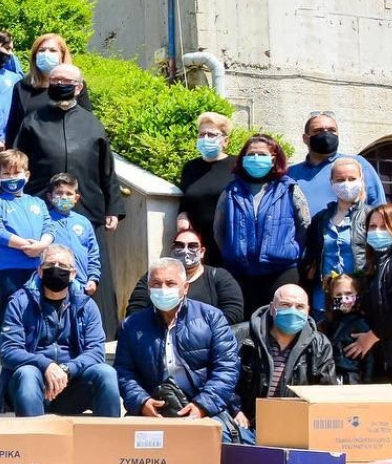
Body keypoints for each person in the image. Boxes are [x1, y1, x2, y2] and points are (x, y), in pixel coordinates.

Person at [14, 62, 123, 332]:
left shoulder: (92, 123)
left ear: (79, 87)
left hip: (87, 209)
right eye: (56, 80)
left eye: (67, 81)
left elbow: (107, 168)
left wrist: (113, 207)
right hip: (42, 210)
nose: (61, 85)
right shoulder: (32, 121)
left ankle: (97, 330)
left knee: (91, 271)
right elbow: (17, 164)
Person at [0, 244, 118, 417]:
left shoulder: (86, 305)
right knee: (27, 374)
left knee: (106, 373)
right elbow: (9, 351)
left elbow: (96, 352)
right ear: (40, 271)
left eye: (62, 266)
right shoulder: (19, 302)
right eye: (50, 264)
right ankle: (33, 434)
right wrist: (46, 365)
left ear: (73, 273)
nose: (56, 269)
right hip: (32, 384)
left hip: (72, 384)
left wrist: (67, 369)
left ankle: (108, 434)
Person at [114, 257, 240, 421]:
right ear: (149, 289)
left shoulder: (211, 318)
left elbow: (227, 368)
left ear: (185, 287)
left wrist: (202, 406)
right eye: (156, 284)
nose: (163, 289)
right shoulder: (132, 325)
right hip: (154, 410)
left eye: (170, 283)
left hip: (206, 409)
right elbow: (124, 372)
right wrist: (142, 402)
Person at [214, 133, 310, 317]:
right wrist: (233, 252)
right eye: (251, 154)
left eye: (262, 154)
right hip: (240, 271)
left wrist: (290, 249)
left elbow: (304, 226)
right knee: (241, 322)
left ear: (273, 159)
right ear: (243, 159)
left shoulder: (289, 188)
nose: (256, 158)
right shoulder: (231, 191)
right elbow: (219, 231)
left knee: (277, 321)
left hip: (281, 270)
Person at [234, 284, 336, 428]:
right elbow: (223, 378)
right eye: (285, 305)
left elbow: (326, 393)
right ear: (272, 308)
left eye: (299, 307)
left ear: (308, 311)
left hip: (294, 425)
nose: (292, 311)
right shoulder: (241, 336)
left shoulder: (320, 345)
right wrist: (234, 410)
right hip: (245, 423)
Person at [0, 149, 53, 328]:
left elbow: (49, 227)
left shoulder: (38, 203)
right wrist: (25, 245)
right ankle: (7, 345)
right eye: (6, 174)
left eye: (16, 173)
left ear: (27, 175)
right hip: (10, 269)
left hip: (38, 268)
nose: (12, 177)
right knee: (10, 311)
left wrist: (41, 245)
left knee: (38, 311)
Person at [125, 229, 246, 325]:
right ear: (172, 249)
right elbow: (135, 308)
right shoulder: (154, 275)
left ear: (202, 251)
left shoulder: (219, 277)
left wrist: (201, 330)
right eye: (179, 245)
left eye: (192, 246)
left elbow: (233, 312)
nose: (185, 251)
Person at [357, 204, 392, 399]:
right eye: (372, 227)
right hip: (387, 359)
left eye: (384, 227)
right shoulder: (375, 268)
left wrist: (369, 338)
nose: (377, 232)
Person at [301, 157, 370, 311]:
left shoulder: (371, 216)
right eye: (340, 179)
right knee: (327, 323)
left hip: (358, 295)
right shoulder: (321, 219)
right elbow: (311, 254)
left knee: (349, 324)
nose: (346, 184)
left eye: (352, 179)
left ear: (361, 180)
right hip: (324, 297)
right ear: (331, 182)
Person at [2, 33, 92, 147]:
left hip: (62, 152)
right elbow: (13, 126)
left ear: (62, 55)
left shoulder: (74, 85)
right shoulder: (22, 86)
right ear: (35, 55)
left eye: (53, 50)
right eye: (42, 50)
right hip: (28, 153)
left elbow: (85, 122)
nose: (46, 54)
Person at [287, 111, 385, 211]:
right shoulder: (291, 173)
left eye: (332, 130)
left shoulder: (356, 164)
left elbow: (379, 208)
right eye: (318, 131)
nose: (326, 134)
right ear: (305, 138)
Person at [176, 112, 235, 265]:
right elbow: (186, 202)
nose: (205, 138)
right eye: (202, 134)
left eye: (211, 134)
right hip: (197, 245)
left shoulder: (236, 166)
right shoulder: (191, 167)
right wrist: (182, 217)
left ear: (225, 140)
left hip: (229, 243)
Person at [46, 173, 101, 296]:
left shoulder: (84, 222)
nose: (64, 197)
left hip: (81, 285)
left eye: (69, 194)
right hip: (53, 283)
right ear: (50, 196)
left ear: (76, 198)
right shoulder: (45, 220)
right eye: (59, 193)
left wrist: (93, 278)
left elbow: (93, 254)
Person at [320, 274, 378, 385]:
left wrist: (367, 381)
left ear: (358, 295)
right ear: (331, 297)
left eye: (348, 293)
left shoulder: (361, 322)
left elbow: (369, 357)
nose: (343, 298)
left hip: (352, 378)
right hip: (332, 377)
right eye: (338, 295)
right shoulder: (329, 323)